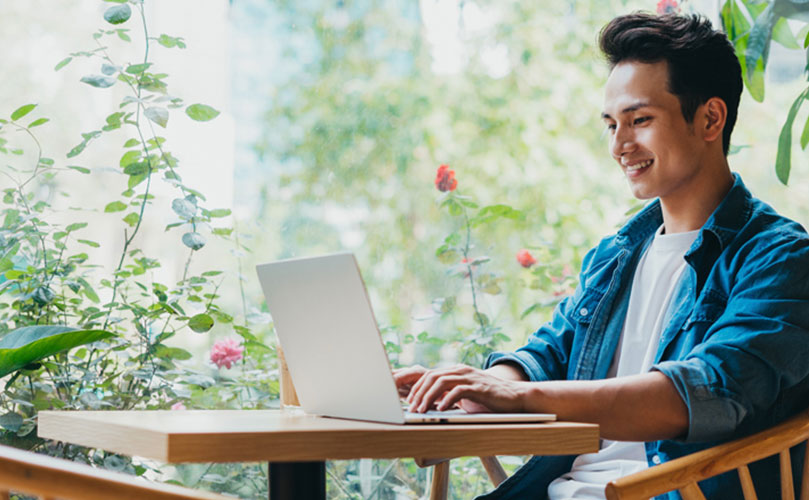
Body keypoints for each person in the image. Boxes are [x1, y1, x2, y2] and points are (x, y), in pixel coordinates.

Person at [394, 12, 809, 500]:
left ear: (710, 118)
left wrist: (517, 396)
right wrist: (469, 388)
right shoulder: (617, 255)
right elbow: (546, 356)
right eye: (611, 124)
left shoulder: (778, 259)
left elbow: (706, 391)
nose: (619, 145)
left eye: (640, 120)